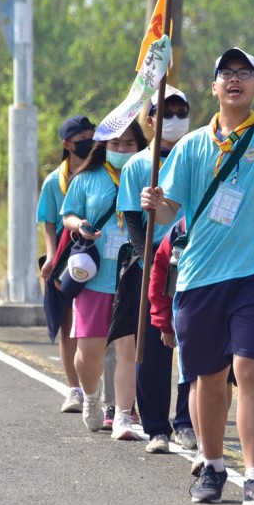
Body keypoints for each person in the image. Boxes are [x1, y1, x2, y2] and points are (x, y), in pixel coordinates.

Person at [141, 0, 254, 505]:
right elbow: (167, 211)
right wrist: (154, 204)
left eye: (246, 73)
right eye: (228, 73)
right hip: (199, 278)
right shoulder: (193, 146)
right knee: (208, 379)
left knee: (250, 371)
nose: (236, 79)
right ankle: (213, 467)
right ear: (215, 88)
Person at [117, 85, 196, 455]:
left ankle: (186, 421)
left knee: (195, 347)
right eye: (167, 112)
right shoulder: (137, 166)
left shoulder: (198, 156)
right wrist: (147, 265)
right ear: (150, 121)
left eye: (182, 112)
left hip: (196, 261)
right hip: (156, 266)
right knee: (153, 347)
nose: (175, 120)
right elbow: (133, 220)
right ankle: (156, 426)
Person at [62, 120, 148, 440]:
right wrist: (79, 224)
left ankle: (124, 415)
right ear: (103, 147)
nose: (123, 149)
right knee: (90, 354)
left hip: (130, 274)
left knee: (127, 348)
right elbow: (68, 213)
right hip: (95, 275)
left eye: (129, 144)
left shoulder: (147, 176)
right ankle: (90, 394)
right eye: (116, 144)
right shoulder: (87, 178)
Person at [38, 114, 95, 413]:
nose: (89, 142)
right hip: (64, 258)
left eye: (91, 135)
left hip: (94, 255)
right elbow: (49, 222)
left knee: (95, 323)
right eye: (82, 139)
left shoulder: (100, 173)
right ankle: (73, 389)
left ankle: (95, 390)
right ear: (67, 144)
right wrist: (50, 256)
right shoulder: (53, 182)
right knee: (67, 321)